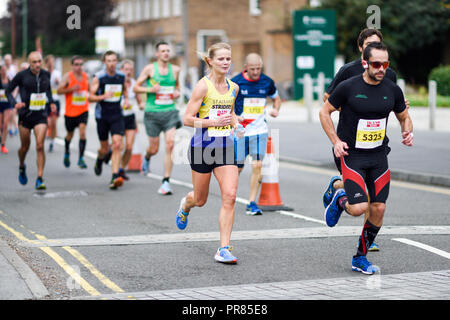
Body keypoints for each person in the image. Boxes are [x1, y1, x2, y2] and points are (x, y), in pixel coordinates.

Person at [319, 42, 413, 275]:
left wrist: (407, 130)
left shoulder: (392, 89)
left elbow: (403, 115)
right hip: (353, 156)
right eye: (376, 64)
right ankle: (341, 199)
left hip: (379, 156)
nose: (381, 68)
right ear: (365, 63)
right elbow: (324, 112)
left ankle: (360, 258)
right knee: (360, 207)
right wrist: (336, 142)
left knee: (378, 208)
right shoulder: (348, 87)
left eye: (385, 64)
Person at [175, 42, 242, 264]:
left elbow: (230, 113)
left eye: (228, 59)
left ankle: (224, 248)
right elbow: (186, 118)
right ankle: (186, 204)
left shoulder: (234, 88)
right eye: (221, 59)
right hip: (202, 148)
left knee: (230, 196)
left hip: (226, 147)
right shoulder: (202, 87)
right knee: (200, 199)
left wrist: (236, 123)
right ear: (210, 61)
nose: (225, 62)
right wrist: (212, 121)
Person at [231, 53, 281, 215]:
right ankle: (230, 195)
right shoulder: (236, 82)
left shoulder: (267, 82)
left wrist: (276, 109)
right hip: (240, 131)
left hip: (260, 131)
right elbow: (227, 103)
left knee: (258, 164)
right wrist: (234, 117)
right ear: (246, 67)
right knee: (237, 168)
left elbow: (276, 98)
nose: (256, 72)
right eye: (253, 69)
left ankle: (252, 202)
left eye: (258, 68)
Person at [133, 41, 182, 195]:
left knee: (170, 144)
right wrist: (150, 89)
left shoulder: (175, 70)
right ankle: (147, 158)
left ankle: (166, 181)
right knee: (154, 148)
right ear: (157, 54)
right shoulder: (149, 69)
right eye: (163, 51)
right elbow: (135, 87)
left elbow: (177, 86)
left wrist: (177, 92)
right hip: (152, 113)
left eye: (168, 50)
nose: (166, 53)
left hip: (170, 112)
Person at [6, 51, 57, 190]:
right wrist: (14, 103)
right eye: (34, 62)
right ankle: (22, 166)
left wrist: (51, 102)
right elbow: (8, 91)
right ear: (29, 63)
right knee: (24, 147)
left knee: (40, 146)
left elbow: (48, 91)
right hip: (25, 115)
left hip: (41, 114)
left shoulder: (46, 74)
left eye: (39, 61)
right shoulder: (22, 76)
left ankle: (40, 178)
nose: (37, 65)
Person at [89, 50, 128, 190]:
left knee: (117, 144)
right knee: (104, 149)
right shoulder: (99, 77)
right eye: (109, 61)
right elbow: (90, 97)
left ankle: (115, 175)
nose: (112, 63)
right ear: (104, 62)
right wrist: (103, 97)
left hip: (117, 114)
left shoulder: (121, 76)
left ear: (117, 62)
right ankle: (100, 160)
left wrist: (127, 100)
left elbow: (125, 90)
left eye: (114, 60)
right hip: (102, 116)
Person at [57, 55, 90, 169]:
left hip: (83, 110)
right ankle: (67, 152)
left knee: (82, 133)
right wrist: (71, 89)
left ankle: (81, 158)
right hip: (70, 112)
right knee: (69, 135)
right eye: (76, 64)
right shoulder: (68, 77)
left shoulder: (86, 77)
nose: (79, 67)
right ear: (72, 66)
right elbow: (59, 91)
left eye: (81, 64)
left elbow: (90, 90)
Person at [118, 59, 143, 180]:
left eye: (130, 70)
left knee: (129, 147)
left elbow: (139, 101)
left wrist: (143, 105)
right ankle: (115, 169)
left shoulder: (134, 84)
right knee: (119, 146)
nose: (128, 72)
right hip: (117, 117)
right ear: (121, 70)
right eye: (125, 69)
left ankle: (121, 168)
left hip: (130, 118)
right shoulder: (116, 82)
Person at [44, 55, 62, 152]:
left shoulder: (57, 73)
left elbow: (60, 86)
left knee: (54, 123)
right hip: (46, 101)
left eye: (52, 62)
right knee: (48, 123)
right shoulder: (43, 73)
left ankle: (52, 142)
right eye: (49, 62)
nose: (51, 64)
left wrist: (58, 82)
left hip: (55, 100)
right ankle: (48, 135)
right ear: (46, 63)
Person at [0, 64, 14, 153]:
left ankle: (3, 144)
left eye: (6, 70)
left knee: (5, 124)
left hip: (7, 103)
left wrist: (13, 95)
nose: (5, 72)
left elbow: (14, 88)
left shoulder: (9, 79)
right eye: (3, 70)